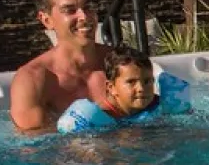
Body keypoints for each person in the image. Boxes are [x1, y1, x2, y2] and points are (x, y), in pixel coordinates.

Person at [10, 0, 107, 133]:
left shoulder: (119, 63)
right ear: (47, 20)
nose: (84, 16)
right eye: (70, 10)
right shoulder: (32, 80)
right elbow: (33, 143)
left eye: (87, 7)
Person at [56, 45, 191, 134]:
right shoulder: (96, 118)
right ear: (111, 87)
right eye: (131, 82)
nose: (141, 88)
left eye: (147, 81)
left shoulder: (160, 106)